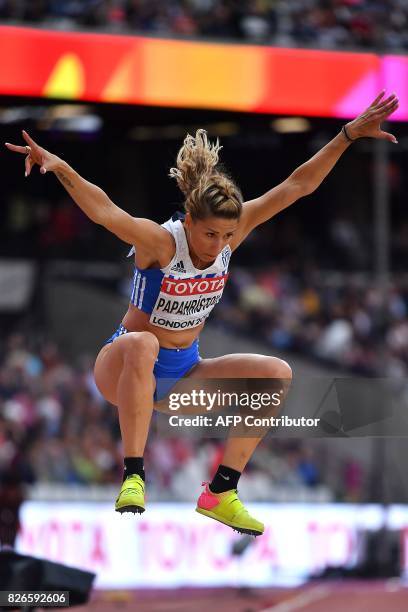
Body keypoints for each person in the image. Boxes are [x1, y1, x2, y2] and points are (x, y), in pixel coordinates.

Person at [5, 91, 398, 537]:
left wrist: (346, 136)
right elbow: (103, 211)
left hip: (181, 376)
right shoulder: (160, 243)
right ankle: (133, 474)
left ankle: (221, 492)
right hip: (121, 366)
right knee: (144, 341)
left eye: (226, 234)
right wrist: (59, 167)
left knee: (276, 373)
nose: (217, 245)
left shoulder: (230, 238)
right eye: (210, 233)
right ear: (189, 220)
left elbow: (297, 185)